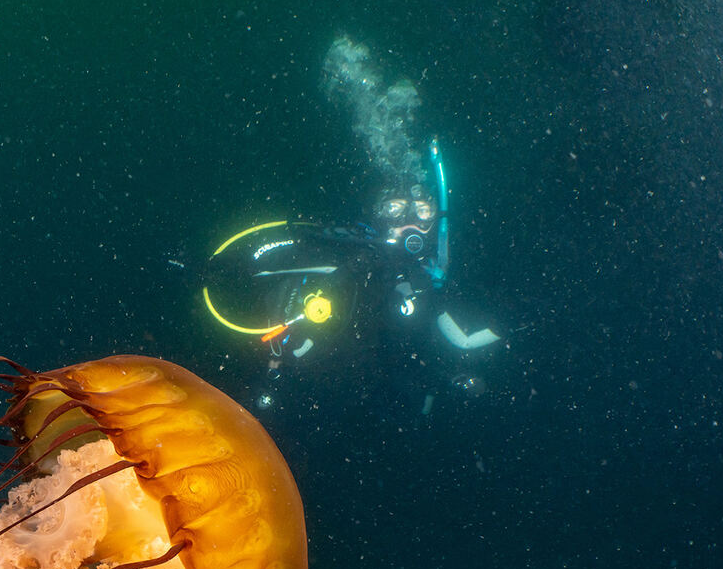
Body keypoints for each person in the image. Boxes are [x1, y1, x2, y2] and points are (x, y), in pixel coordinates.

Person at [199, 138, 501, 412]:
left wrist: (451, 376)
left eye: (423, 211)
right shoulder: (342, 251)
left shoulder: (430, 277)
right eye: (394, 209)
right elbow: (257, 265)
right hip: (301, 394)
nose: (410, 221)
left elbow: (444, 342)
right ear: (376, 214)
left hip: (369, 411)